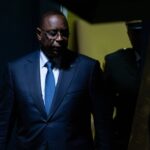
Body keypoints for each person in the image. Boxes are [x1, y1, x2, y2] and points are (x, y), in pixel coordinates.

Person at [0, 10, 112, 150]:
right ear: (39, 34)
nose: (60, 38)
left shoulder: (87, 69)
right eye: (53, 33)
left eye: (64, 33)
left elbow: (103, 125)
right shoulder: (15, 71)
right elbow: (3, 125)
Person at [103, 20, 144, 150]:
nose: (138, 37)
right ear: (128, 33)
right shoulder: (116, 62)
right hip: (124, 139)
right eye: (134, 32)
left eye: (142, 32)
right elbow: (104, 110)